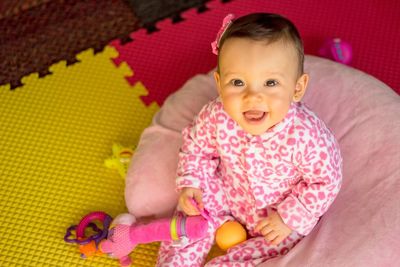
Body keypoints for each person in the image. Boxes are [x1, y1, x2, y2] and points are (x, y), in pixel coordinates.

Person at [157, 13, 343, 266]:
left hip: (276, 216)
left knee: (280, 245)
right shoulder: (217, 115)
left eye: (270, 83)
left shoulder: (306, 136)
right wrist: (192, 183)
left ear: (297, 88)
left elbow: (325, 181)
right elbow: (196, 148)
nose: (252, 96)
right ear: (220, 84)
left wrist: (290, 217)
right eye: (238, 82)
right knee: (190, 215)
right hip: (228, 196)